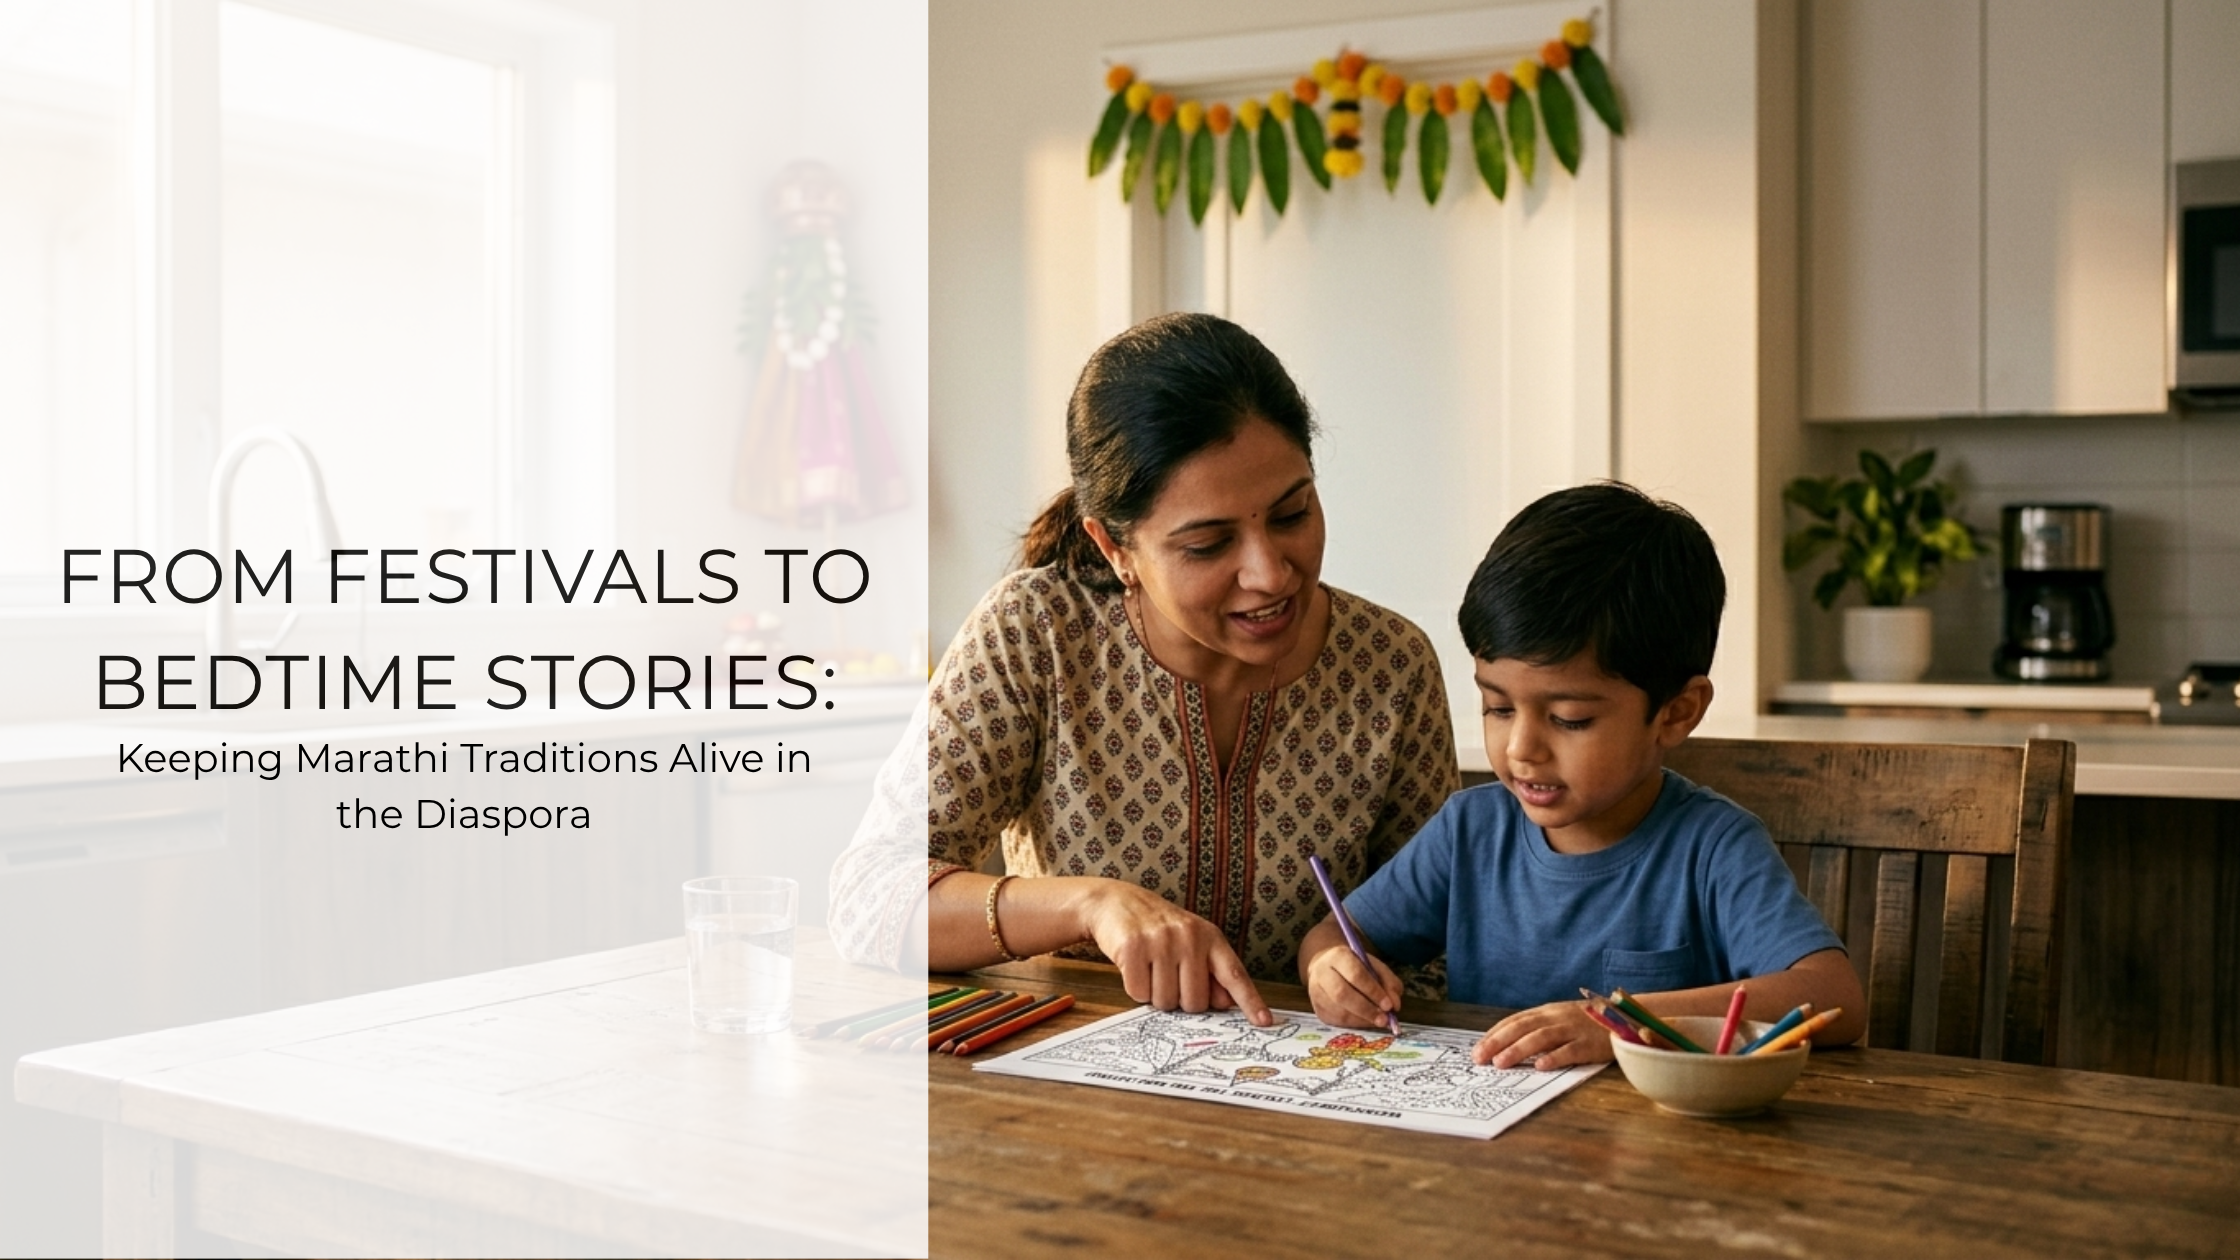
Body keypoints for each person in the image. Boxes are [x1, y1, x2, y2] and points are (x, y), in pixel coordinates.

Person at [831, 313, 1458, 1022]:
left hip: (1319, 1096)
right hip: (1072, 1093)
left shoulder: (1390, 665)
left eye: (1291, 514)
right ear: (1114, 547)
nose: (1270, 574)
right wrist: (1091, 903)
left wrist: (1343, 965)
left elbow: (1441, 939)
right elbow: (870, 898)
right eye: (1208, 544)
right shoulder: (1037, 635)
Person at [1298, 482, 1867, 1065]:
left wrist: (1624, 1024)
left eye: (1570, 719)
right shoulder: (1470, 832)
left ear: (1676, 712)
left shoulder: (1713, 848)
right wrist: (1330, 969)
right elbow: (1335, 935)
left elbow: (1833, 996)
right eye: (1497, 707)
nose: (1522, 748)